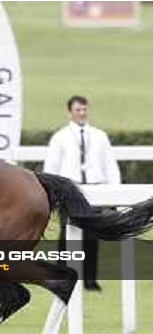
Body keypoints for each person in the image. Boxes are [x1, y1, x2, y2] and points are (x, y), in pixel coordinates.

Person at [44, 95, 121, 291]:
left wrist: (115, 191)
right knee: (66, 234)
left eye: (84, 109)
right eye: (78, 110)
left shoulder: (99, 136)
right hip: (70, 191)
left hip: (96, 189)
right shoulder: (60, 137)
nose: (82, 113)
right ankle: (61, 275)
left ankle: (89, 279)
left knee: (92, 236)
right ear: (70, 112)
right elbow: (51, 168)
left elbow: (110, 164)